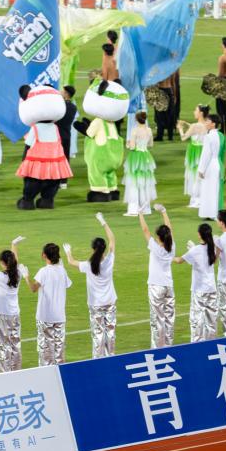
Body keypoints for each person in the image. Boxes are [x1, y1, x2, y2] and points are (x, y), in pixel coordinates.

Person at [67, 214, 118, 358]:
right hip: (110, 301)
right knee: (110, 331)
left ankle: (97, 359)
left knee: (98, 333)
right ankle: (111, 356)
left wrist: (68, 251)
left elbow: (71, 262)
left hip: (96, 304)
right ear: (104, 249)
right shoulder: (109, 260)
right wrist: (103, 222)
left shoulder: (88, 265)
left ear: (93, 249)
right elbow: (112, 239)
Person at [27, 243, 73, 366]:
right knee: (59, 351)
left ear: (44, 255)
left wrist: (26, 277)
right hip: (59, 316)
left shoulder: (43, 271)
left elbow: (33, 288)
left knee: (45, 352)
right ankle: (60, 374)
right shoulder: (62, 270)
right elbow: (67, 284)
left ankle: (45, 375)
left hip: (45, 316)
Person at [139, 206, 177, 348]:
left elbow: (145, 230)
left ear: (159, 237)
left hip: (156, 286)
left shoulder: (156, 247)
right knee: (169, 317)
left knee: (157, 319)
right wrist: (164, 211)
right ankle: (168, 345)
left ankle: (157, 348)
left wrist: (140, 214)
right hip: (169, 286)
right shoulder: (172, 246)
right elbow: (169, 229)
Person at [179, 222, 221, 342]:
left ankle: (196, 345)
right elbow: (214, 260)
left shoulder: (195, 250)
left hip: (199, 290)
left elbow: (179, 260)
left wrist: (167, 256)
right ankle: (212, 344)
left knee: (196, 320)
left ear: (199, 234)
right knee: (211, 320)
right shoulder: (212, 247)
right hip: (212, 289)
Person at [123, 110, 157, 216]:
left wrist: (128, 144)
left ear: (136, 119)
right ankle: (145, 208)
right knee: (145, 182)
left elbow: (132, 147)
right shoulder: (149, 130)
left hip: (136, 156)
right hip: (146, 156)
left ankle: (133, 209)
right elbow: (151, 144)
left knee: (134, 182)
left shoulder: (135, 131)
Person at [178, 105, 210, 208]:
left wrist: (180, 128)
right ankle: (202, 197)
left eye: (196, 110)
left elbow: (183, 137)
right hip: (204, 151)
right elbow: (198, 129)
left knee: (194, 174)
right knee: (202, 174)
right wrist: (187, 124)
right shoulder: (207, 124)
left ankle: (196, 199)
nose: (194, 112)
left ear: (201, 113)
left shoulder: (195, 126)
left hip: (195, 152)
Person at [196, 113, 226, 220]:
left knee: (207, 189)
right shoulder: (221, 136)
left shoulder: (208, 137)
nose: (205, 123)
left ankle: (209, 213)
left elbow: (206, 154)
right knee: (215, 189)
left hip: (209, 166)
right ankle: (214, 213)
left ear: (213, 124)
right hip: (217, 164)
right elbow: (223, 153)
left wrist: (201, 169)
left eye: (207, 121)